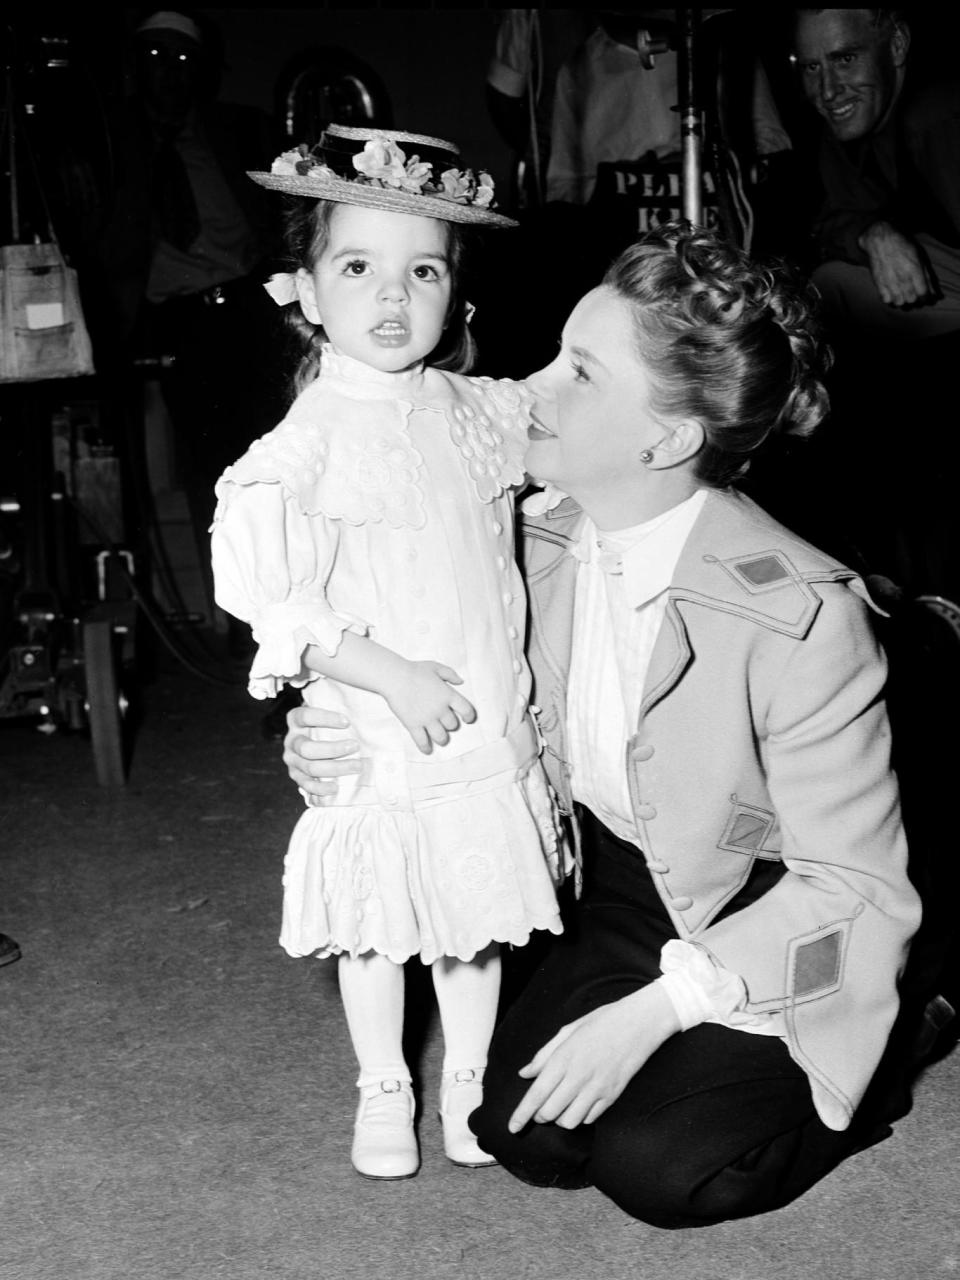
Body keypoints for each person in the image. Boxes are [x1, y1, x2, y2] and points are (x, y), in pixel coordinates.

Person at [283, 223, 921, 1226]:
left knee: (662, 1165)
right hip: (619, 872)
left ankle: (895, 1041)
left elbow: (853, 883)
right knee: (522, 1129)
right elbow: (422, 671)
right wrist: (336, 739)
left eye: (576, 371)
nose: (529, 385)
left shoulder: (803, 613)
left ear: (665, 441)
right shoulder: (527, 538)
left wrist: (655, 1011)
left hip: (772, 898)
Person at [210, 125, 565, 1181]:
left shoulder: (478, 410)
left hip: (484, 703)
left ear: (455, 294)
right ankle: (382, 1077)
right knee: (381, 924)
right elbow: (277, 595)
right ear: (306, 291)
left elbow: (559, 435)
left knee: (475, 915)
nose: (392, 296)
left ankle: (468, 1074)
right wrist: (387, 676)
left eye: (423, 270)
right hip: (380, 716)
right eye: (356, 267)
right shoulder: (308, 442)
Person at [793, 7, 960, 338]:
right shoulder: (849, 122)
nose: (827, 91)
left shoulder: (939, 118)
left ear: (897, 46)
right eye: (812, 67)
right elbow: (833, 221)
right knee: (830, 285)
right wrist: (872, 233)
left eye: (845, 59)